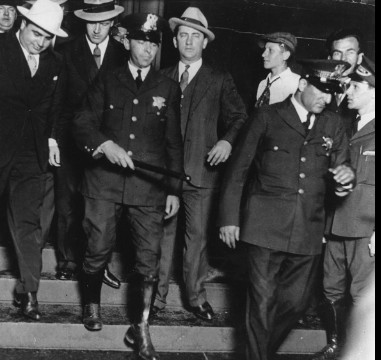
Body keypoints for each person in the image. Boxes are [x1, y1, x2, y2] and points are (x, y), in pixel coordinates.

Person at [218, 59, 356, 360]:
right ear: (303, 84)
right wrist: (229, 219)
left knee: (296, 304)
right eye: (321, 90)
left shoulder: (332, 123)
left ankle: (258, 354)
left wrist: (346, 178)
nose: (326, 98)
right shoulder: (267, 116)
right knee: (262, 305)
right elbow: (237, 170)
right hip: (263, 228)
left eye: (331, 93)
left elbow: (342, 168)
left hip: (307, 230)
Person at [72, 12, 183, 360]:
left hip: (147, 188)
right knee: (97, 247)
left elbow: (173, 143)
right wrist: (104, 145)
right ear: (127, 42)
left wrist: (173, 189)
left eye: (153, 44)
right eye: (141, 42)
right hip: (103, 184)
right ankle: (91, 304)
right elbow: (81, 122)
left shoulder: (168, 86)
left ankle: (142, 326)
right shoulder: (108, 79)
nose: (147, 50)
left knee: (149, 260)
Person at [0, 0, 67, 320]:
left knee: (27, 223)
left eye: (47, 38)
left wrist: (51, 139)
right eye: (36, 34)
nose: (40, 42)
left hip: (30, 154)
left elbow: (51, 108)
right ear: (23, 24)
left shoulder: (55, 63)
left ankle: (30, 292)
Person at [152, 6, 248, 321]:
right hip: (164, 175)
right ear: (175, 40)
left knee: (197, 240)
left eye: (196, 37)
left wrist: (226, 141)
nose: (189, 42)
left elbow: (239, 117)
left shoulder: (219, 78)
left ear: (205, 43)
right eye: (183, 36)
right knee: (161, 238)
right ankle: (156, 298)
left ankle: (195, 297)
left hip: (202, 173)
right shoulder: (161, 76)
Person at [54, 0, 127, 285]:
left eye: (104, 23)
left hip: (108, 144)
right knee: (67, 204)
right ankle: (68, 260)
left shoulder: (123, 54)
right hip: (70, 140)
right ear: (84, 22)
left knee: (101, 209)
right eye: (92, 22)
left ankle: (99, 262)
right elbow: (57, 100)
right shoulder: (66, 51)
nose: (97, 29)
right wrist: (53, 140)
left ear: (112, 24)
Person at [311, 56, 375, 360]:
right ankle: (337, 344)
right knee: (331, 288)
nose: (348, 90)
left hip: (365, 226)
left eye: (356, 86)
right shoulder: (343, 125)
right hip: (336, 222)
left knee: (362, 294)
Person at [325, 28, 364, 118]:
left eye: (350, 52)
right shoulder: (319, 88)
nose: (343, 59)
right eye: (337, 53)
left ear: (360, 58)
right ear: (329, 59)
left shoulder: (367, 92)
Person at [254, 32, 300, 108]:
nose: (263, 54)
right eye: (265, 49)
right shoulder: (263, 84)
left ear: (285, 55)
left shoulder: (296, 84)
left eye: (270, 50)